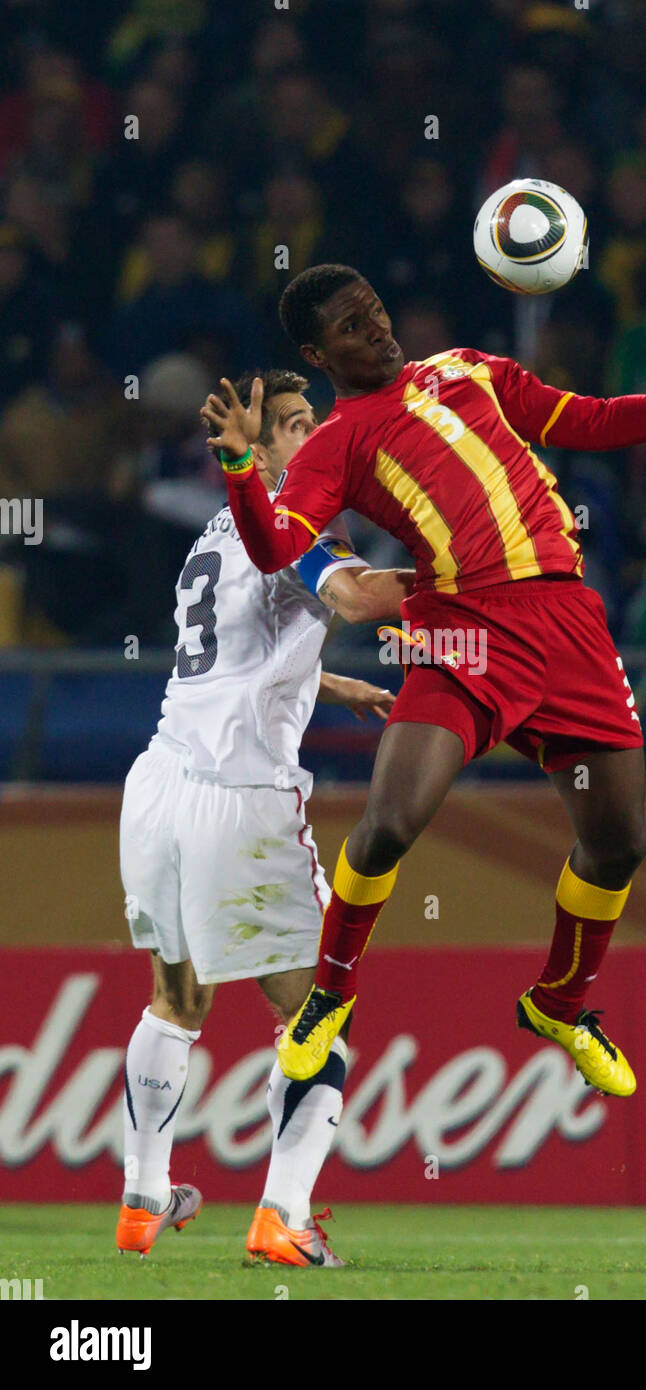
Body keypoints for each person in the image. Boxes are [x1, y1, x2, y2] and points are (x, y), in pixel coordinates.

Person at [207, 264, 646, 1097]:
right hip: (463, 629)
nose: (379, 329)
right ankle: (330, 992)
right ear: (320, 353)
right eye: (354, 328)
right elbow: (278, 547)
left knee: (621, 841)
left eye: (378, 311)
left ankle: (560, 1003)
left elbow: (597, 421)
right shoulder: (337, 443)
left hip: (566, 623)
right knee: (391, 822)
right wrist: (246, 467)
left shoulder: (475, 370)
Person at [118, 367, 412, 1266]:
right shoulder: (295, 524)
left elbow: (229, 650)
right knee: (322, 1012)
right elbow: (358, 598)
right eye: (290, 424)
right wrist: (474, 569)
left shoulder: (217, 532)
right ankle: (284, 1214)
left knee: (177, 1000)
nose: (310, 434)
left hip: (159, 783)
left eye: (312, 419)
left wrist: (319, 677)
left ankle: (143, 1197)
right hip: (238, 802)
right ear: (259, 442)